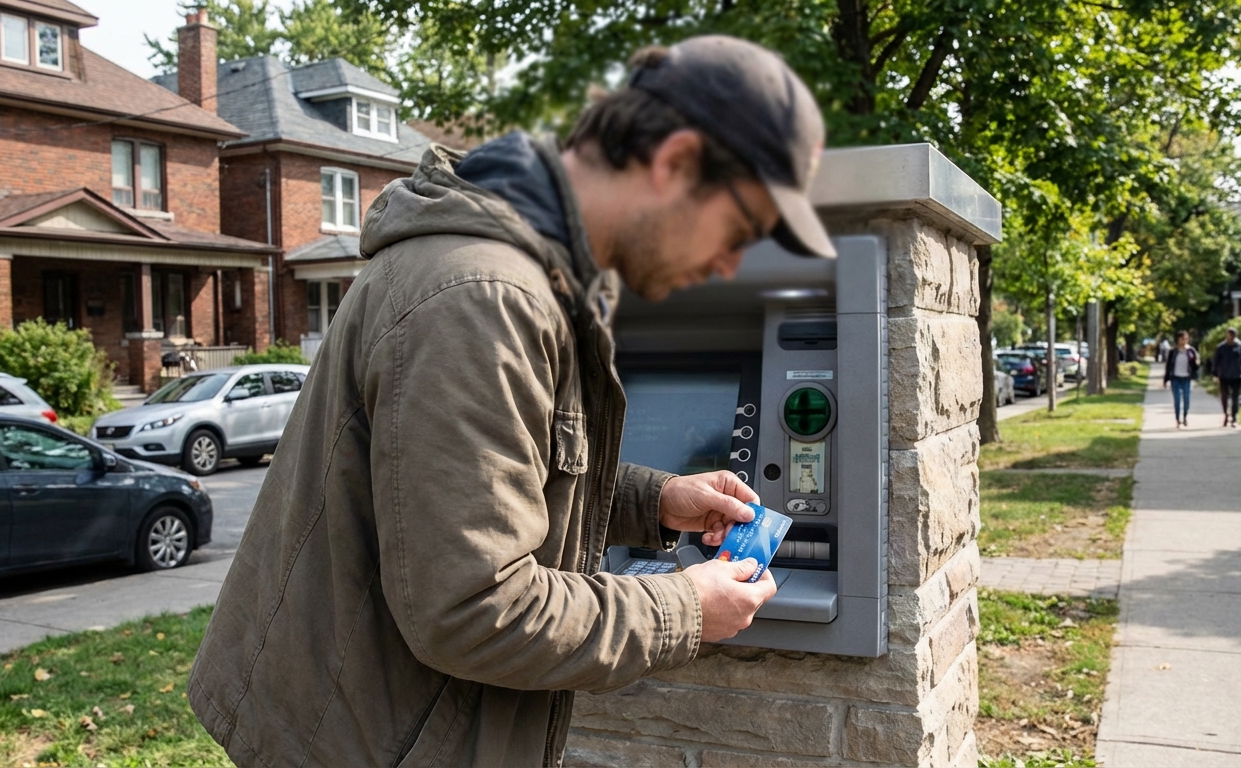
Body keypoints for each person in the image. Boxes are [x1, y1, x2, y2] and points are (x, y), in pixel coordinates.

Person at [188, 36, 833, 767]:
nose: (729, 263)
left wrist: (655, 500)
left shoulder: (532, 278)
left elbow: (487, 475)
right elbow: (472, 609)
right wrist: (685, 609)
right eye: (738, 230)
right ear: (676, 163)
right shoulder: (484, 298)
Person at [1213, 326, 1241, 427]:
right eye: (1229, 335)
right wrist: (1215, 374)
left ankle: (1234, 417)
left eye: (1233, 336)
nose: (1230, 338)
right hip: (1224, 375)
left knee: (1235, 397)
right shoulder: (1221, 347)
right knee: (1224, 397)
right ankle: (1226, 414)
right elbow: (1216, 361)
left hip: (1237, 375)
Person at [1163, 330, 1199, 428]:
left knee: (1186, 399)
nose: (1185, 341)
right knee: (1177, 400)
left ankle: (1185, 417)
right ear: (1178, 340)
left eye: (1186, 339)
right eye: (1182, 339)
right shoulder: (1173, 351)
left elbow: (1195, 366)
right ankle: (1178, 419)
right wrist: (1166, 380)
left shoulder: (1191, 351)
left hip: (1186, 378)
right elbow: (1168, 366)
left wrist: (1196, 363)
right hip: (1175, 378)